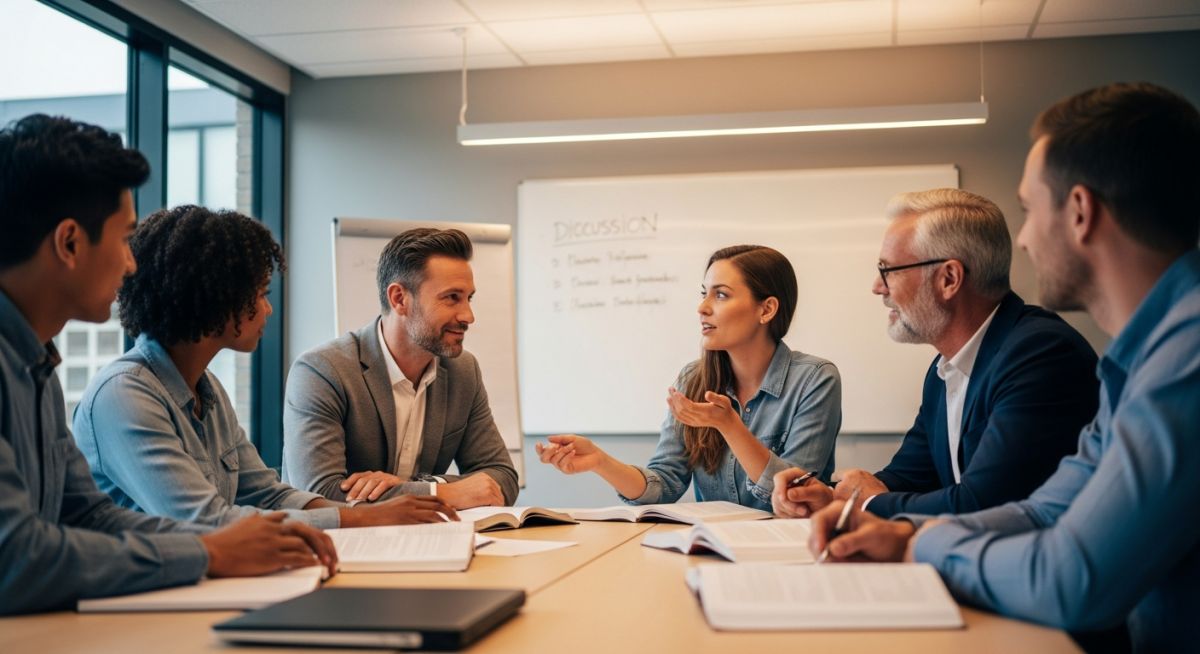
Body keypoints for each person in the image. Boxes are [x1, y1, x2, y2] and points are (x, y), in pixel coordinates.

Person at [806, 82, 1200, 653]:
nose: (1024, 239)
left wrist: (917, 545)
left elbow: (1072, 576)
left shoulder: (1184, 357)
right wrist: (898, 531)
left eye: (1028, 210)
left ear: (1081, 212)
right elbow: (1047, 509)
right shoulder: (1140, 357)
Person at [0, 114, 335, 615]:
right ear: (70, 243)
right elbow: (14, 558)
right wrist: (205, 550)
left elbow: (88, 515)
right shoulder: (116, 388)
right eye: (122, 239)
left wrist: (237, 542)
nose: (131, 263)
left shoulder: (37, 367)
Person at [73, 205, 456, 528]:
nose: (268, 309)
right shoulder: (124, 396)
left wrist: (367, 514)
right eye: (260, 294)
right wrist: (362, 519)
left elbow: (268, 493)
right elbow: (205, 520)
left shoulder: (206, 390)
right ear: (215, 299)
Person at [772, 189, 1097, 519]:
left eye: (888, 270)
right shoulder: (944, 369)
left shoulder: (1040, 355)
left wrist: (865, 503)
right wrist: (831, 497)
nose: (877, 286)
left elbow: (983, 505)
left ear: (949, 278)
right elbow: (910, 477)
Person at [536, 245, 841, 511]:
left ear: (767, 309)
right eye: (703, 293)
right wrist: (600, 462)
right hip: (712, 550)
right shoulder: (693, 379)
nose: (702, 307)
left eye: (720, 294)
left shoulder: (815, 380)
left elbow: (797, 495)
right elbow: (664, 484)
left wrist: (729, 425)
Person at [284, 227, 518, 509]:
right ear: (399, 299)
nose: (468, 315)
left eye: (469, 298)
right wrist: (440, 495)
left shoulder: (463, 371)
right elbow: (318, 494)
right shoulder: (322, 371)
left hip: (426, 544)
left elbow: (502, 477)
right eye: (452, 298)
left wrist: (424, 486)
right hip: (337, 549)